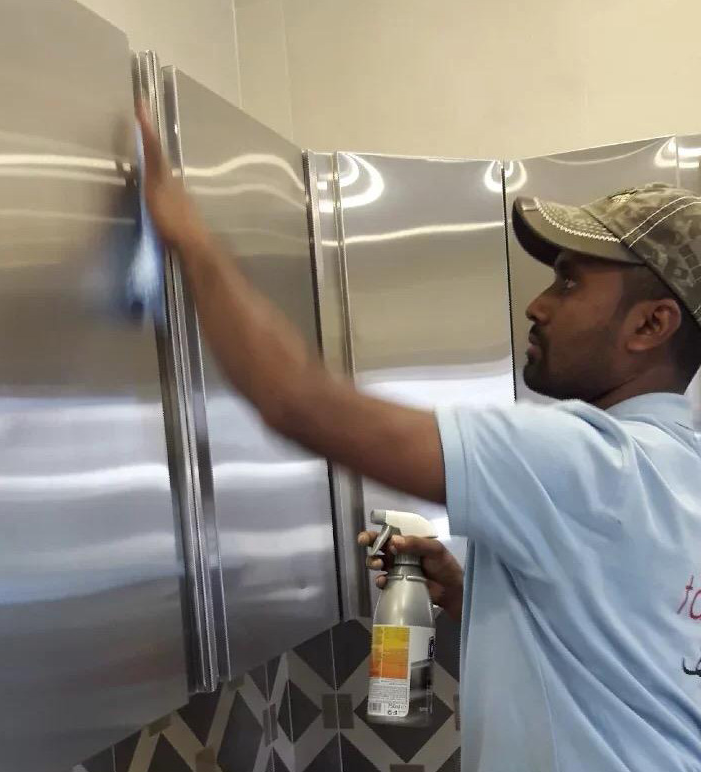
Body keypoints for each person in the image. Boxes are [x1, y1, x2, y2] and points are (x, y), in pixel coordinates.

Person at [137, 110, 701, 772]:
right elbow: (626, 649)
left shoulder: (581, 459)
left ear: (652, 324)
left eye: (571, 281)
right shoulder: (677, 469)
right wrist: (470, 593)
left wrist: (189, 238)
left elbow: (296, 400)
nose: (538, 304)